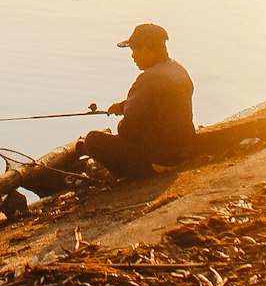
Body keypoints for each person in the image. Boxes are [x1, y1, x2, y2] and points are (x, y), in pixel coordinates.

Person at [80, 23, 196, 179]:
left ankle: (120, 174)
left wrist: (123, 121)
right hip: (182, 152)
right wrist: (122, 107)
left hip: (158, 159)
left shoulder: (146, 80)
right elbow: (160, 104)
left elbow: (128, 130)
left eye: (135, 50)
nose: (133, 56)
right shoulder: (178, 69)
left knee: (93, 140)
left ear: (146, 49)